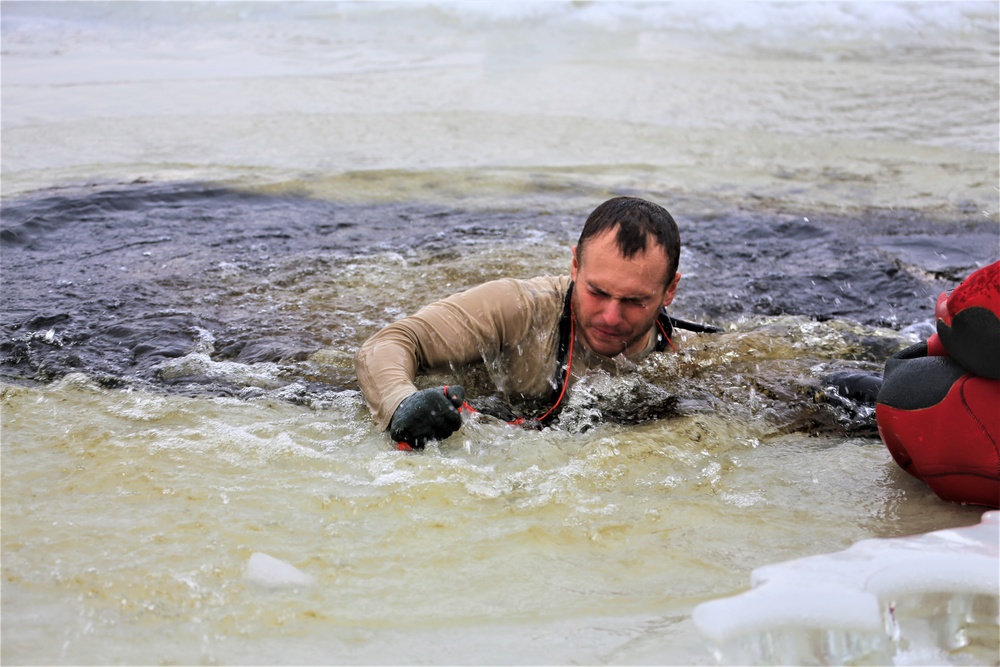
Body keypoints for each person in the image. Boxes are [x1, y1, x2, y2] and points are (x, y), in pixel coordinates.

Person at [354, 196, 719, 450]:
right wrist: (400, 403)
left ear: (669, 290)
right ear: (575, 266)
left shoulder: (694, 357)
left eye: (635, 301)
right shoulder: (518, 308)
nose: (610, 316)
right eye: (596, 291)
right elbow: (392, 341)